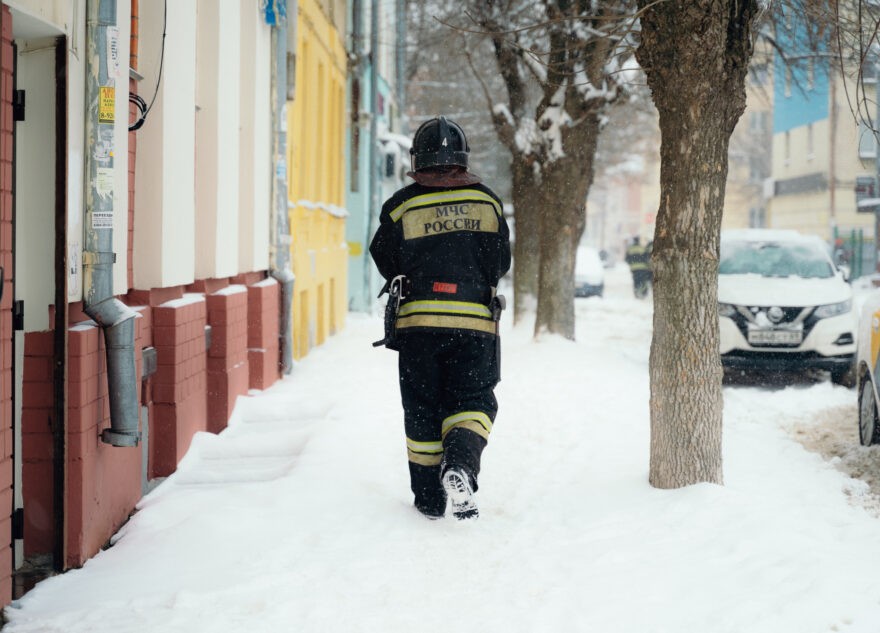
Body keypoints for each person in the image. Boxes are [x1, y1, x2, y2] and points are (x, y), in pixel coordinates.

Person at [369, 116, 511, 521]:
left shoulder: (400, 205)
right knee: (472, 400)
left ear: (418, 159)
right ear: (463, 159)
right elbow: (500, 260)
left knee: (422, 407)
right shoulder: (488, 201)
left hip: (418, 326)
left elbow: (384, 257)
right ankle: (461, 466)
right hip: (474, 326)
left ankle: (429, 499)